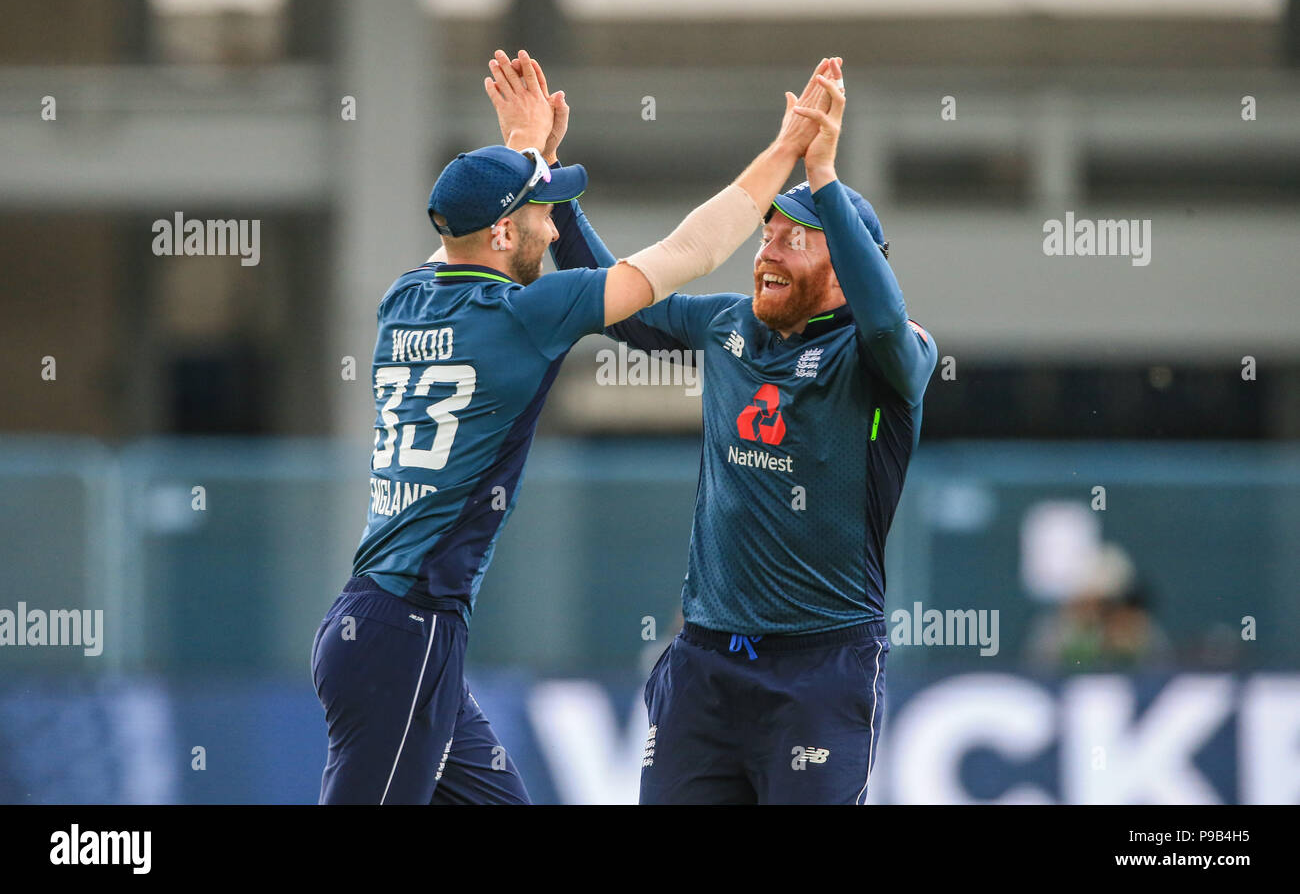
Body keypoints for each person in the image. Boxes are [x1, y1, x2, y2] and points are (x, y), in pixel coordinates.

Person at [311, 50, 839, 804]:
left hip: (379, 622)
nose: (551, 227)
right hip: (407, 632)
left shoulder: (407, 296)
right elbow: (693, 251)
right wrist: (786, 150)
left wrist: (531, 155)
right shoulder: (524, 316)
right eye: (538, 213)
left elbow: (467, 221)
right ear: (499, 236)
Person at [514, 53, 938, 803]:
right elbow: (628, 311)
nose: (765, 253)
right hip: (704, 668)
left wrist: (825, 178)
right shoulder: (728, 324)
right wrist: (552, 180)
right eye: (765, 234)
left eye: (792, 239)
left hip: (820, 671)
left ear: (844, 262)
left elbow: (884, 324)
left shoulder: (885, 357)